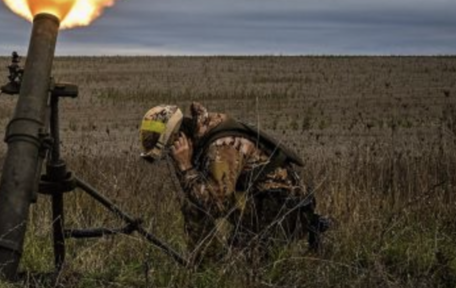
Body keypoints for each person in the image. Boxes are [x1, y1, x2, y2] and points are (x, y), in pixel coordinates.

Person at [139, 102, 329, 264]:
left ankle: (212, 268)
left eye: (168, 151)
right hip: (261, 207)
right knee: (194, 208)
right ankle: (211, 265)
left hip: (282, 212)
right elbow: (201, 198)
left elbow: (215, 206)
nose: (169, 158)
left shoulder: (222, 146)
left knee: (240, 271)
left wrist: (186, 168)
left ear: (180, 139)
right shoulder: (204, 139)